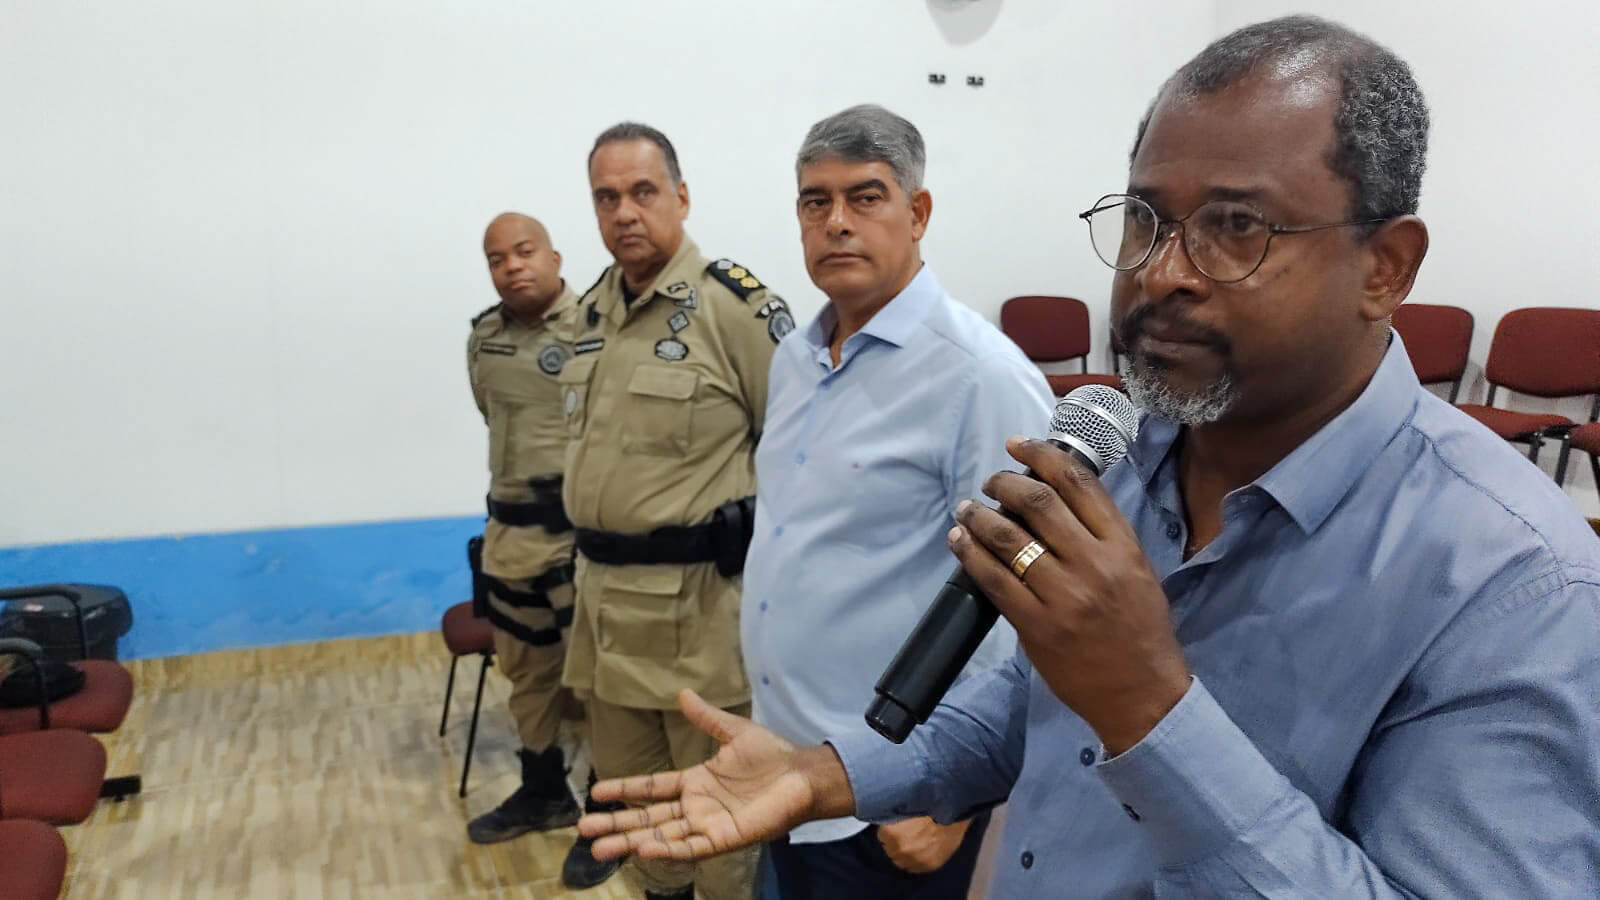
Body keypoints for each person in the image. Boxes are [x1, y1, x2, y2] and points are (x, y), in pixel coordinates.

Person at [577, 16, 1600, 897]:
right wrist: (836, 773)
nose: (1161, 273)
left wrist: (1150, 707)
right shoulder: (1125, 448)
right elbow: (1026, 706)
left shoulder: (1518, 588)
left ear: (1384, 265)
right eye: (1145, 220)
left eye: (1235, 228)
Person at [740, 104, 1052, 899]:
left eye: (865, 197)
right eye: (817, 202)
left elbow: (1025, 602)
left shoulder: (979, 377)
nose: (837, 222)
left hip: (895, 796)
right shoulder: (795, 359)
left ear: (917, 214)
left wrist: (959, 793)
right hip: (788, 769)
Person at [559, 122, 782, 900]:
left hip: (699, 623)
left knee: (718, 828)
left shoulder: (735, 311)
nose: (625, 212)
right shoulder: (591, 313)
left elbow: (797, 456)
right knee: (639, 818)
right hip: (607, 618)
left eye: (643, 192)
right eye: (607, 197)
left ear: (681, 197)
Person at [462, 213, 619, 887]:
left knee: (601, 685)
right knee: (526, 674)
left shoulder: (598, 329)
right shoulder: (484, 338)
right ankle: (544, 790)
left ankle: (608, 817)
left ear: (554, 256)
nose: (513, 267)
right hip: (510, 541)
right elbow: (490, 415)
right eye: (498, 259)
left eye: (524, 252)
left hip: (580, 542)